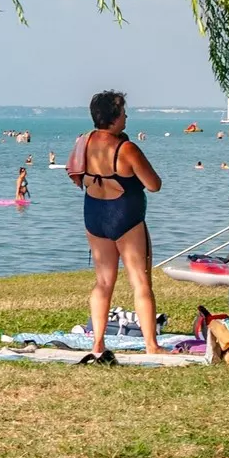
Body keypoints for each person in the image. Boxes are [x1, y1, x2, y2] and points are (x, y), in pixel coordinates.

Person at [68, 89, 164, 359]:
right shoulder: (126, 148)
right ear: (113, 117)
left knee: (103, 281)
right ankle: (151, 344)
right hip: (126, 215)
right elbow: (154, 185)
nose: (126, 116)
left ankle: (97, 342)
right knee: (140, 281)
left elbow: (74, 174)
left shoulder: (83, 142)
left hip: (95, 213)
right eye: (123, 112)